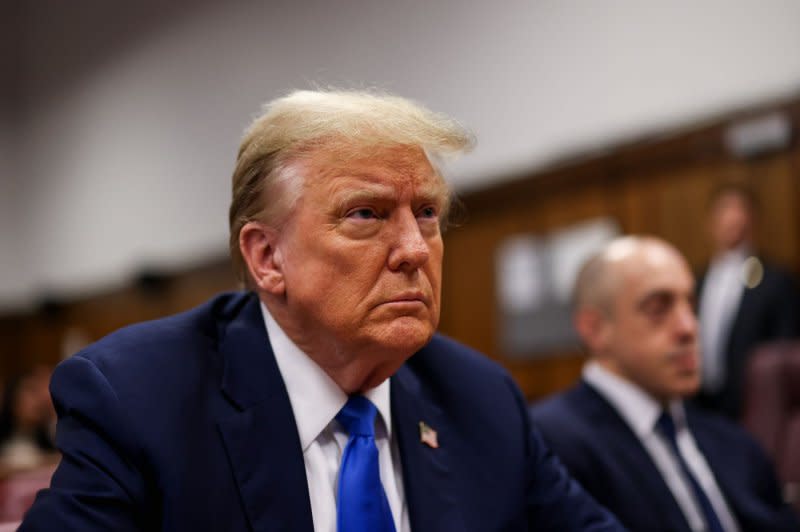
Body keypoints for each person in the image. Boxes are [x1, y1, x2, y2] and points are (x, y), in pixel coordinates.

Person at [21, 90, 623, 531]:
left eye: (428, 214)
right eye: (366, 214)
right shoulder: (140, 399)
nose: (416, 249)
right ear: (266, 257)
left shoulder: (480, 400)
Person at [530, 236, 799, 532]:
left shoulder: (733, 441)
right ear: (594, 329)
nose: (688, 327)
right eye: (658, 308)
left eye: (691, 306)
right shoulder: (549, 446)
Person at [695, 183, 800, 419]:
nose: (732, 219)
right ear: (710, 223)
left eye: (739, 211)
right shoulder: (697, 281)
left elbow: (783, 347)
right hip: (703, 402)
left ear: (751, 220)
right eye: (724, 211)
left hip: (755, 404)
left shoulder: (774, 280)